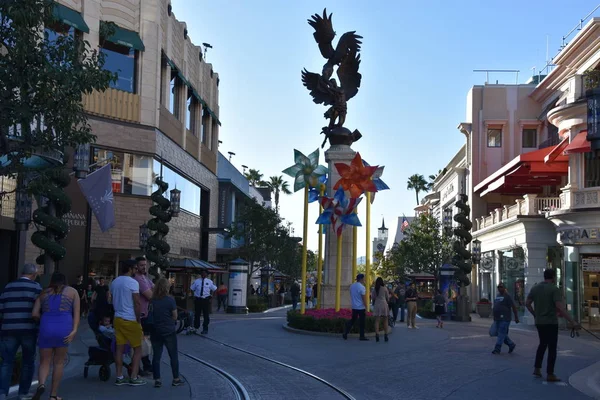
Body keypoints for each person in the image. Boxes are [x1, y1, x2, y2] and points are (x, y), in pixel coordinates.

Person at [32, 272, 80, 400]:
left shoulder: (43, 293)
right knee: (58, 362)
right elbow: (76, 313)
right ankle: (53, 395)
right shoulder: (73, 292)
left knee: (44, 362)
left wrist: (44, 318)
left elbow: (34, 313)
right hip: (64, 328)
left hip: (46, 327)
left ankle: (41, 384)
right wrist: (74, 330)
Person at [526, 269, 580, 382]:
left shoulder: (535, 288)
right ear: (554, 277)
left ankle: (537, 368)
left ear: (544, 276)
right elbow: (560, 307)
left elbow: (527, 303)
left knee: (542, 344)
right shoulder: (554, 289)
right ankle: (550, 373)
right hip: (550, 322)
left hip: (539, 322)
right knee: (552, 347)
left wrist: (535, 315)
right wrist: (572, 321)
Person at [0, 263, 42, 400]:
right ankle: (23, 393)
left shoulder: (8, 287)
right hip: (28, 329)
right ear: (34, 274)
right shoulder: (36, 288)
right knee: (28, 361)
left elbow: (1, 308)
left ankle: (2, 392)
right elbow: (39, 309)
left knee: (7, 362)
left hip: (8, 329)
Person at [110, 260, 146, 386]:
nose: (136, 270)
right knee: (138, 349)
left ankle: (119, 377)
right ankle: (134, 377)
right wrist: (138, 319)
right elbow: (137, 302)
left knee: (119, 349)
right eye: (135, 268)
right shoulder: (133, 282)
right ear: (130, 269)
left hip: (118, 318)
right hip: (130, 318)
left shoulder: (114, 282)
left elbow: (111, 299)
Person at [149, 278, 183, 388]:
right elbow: (175, 316)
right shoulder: (170, 300)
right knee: (173, 356)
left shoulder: (152, 300)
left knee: (156, 356)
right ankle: (176, 379)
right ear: (167, 288)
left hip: (155, 330)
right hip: (168, 330)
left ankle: (157, 379)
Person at [133, 256, 154, 377]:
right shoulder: (138, 279)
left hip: (145, 314)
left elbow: (154, 288)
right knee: (140, 342)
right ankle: (140, 367)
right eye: (141, 265)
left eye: (145, 265)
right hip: (140, 315)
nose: (144, 267)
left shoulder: (144, 278)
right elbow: (150, 295)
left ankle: (146, 365)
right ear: (136, 266)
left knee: (144, 341)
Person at [491, 283, 518, 354]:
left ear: (504, 288)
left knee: (501, 333)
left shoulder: (507, 296)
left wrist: (516, 317)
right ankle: (511, 344)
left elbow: (513, 306)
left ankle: (497, 348)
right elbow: (495, 306)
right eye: (498, 287)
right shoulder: (497, 296)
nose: (499, 288)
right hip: (497, 318)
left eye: (501, 287)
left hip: (505, 318)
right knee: (499, 333)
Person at [342, 274, 369, 341]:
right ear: (361, 279)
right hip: (361, 307)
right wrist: (366, 307)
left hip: (354, 306)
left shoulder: (352, 286)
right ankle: (361, 336)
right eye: (364, 278)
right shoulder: (362, 287)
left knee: (353, 320)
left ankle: (346, 332)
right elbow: (364, 298)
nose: (364, 280)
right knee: (362, 322)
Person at [191, 269, 216, 334]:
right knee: (197, 314)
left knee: (206, 315)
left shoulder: (209, 281)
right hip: (198, 299)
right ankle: (196, 327)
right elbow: (192, 288)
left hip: (205, 300)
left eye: (205, 273)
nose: (203, 274)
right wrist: (193, 296)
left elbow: (214, 289)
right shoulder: (196, 281)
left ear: (207, 275)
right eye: (202, 273)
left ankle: (205, 328)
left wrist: (211, 297)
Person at [371, 277, 390, 342]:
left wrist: (374, 303)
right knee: (385, 320)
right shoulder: (385, 288)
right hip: (384, 304)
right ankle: (386, 335)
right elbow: (387, 297)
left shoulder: (374, 289)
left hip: (377, 304)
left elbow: (373, 298)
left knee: (377, 321)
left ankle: (377, 335)